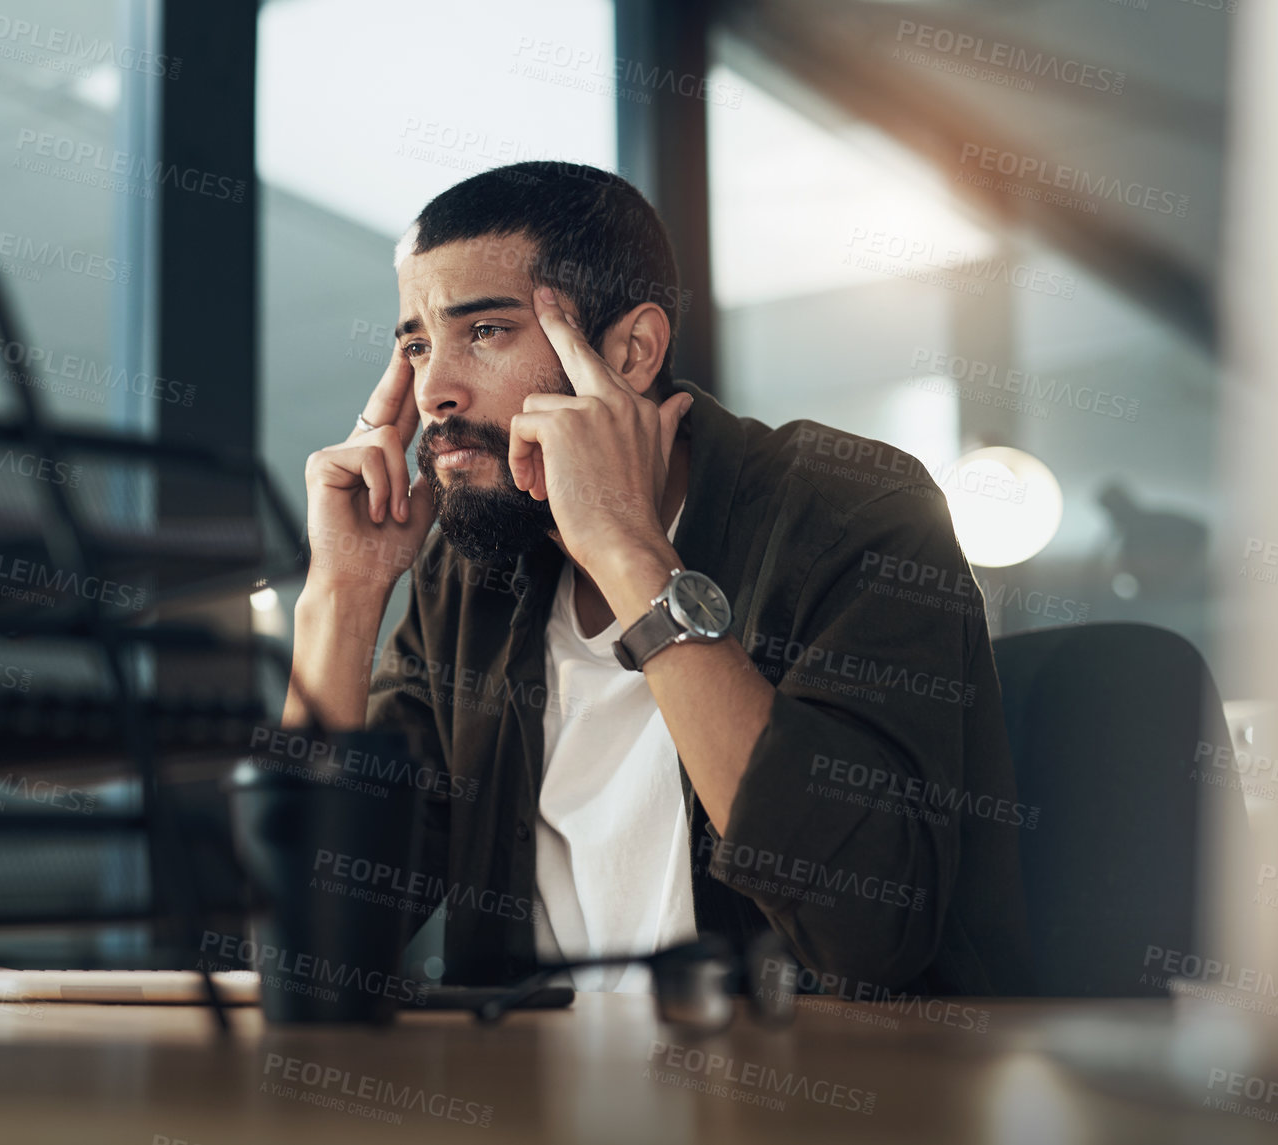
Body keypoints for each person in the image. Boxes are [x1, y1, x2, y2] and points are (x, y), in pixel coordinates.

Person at [282, 160, 1033, 996]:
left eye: (484, 332)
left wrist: (628, 549)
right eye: (417, 345)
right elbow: (319, 944)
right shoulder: (470, 574)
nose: (434, 392)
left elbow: (867, 929)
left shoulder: (854, 510)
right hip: (528, 1102)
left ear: (632, 350)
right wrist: (341, 600)